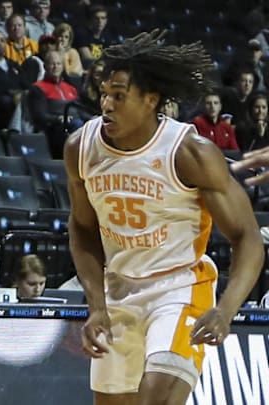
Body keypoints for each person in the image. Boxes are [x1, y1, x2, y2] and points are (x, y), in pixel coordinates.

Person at [64, 30, 264, 405]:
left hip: (179, 289)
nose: (106, 104)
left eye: (119, 96)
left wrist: (226, 309)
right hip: (120, 289)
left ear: (149, 99)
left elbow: (247, 236)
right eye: (104, 93)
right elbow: (82, 227)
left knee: (155, 398)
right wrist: (96, 306)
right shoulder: (80, 148)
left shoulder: (189, 152)